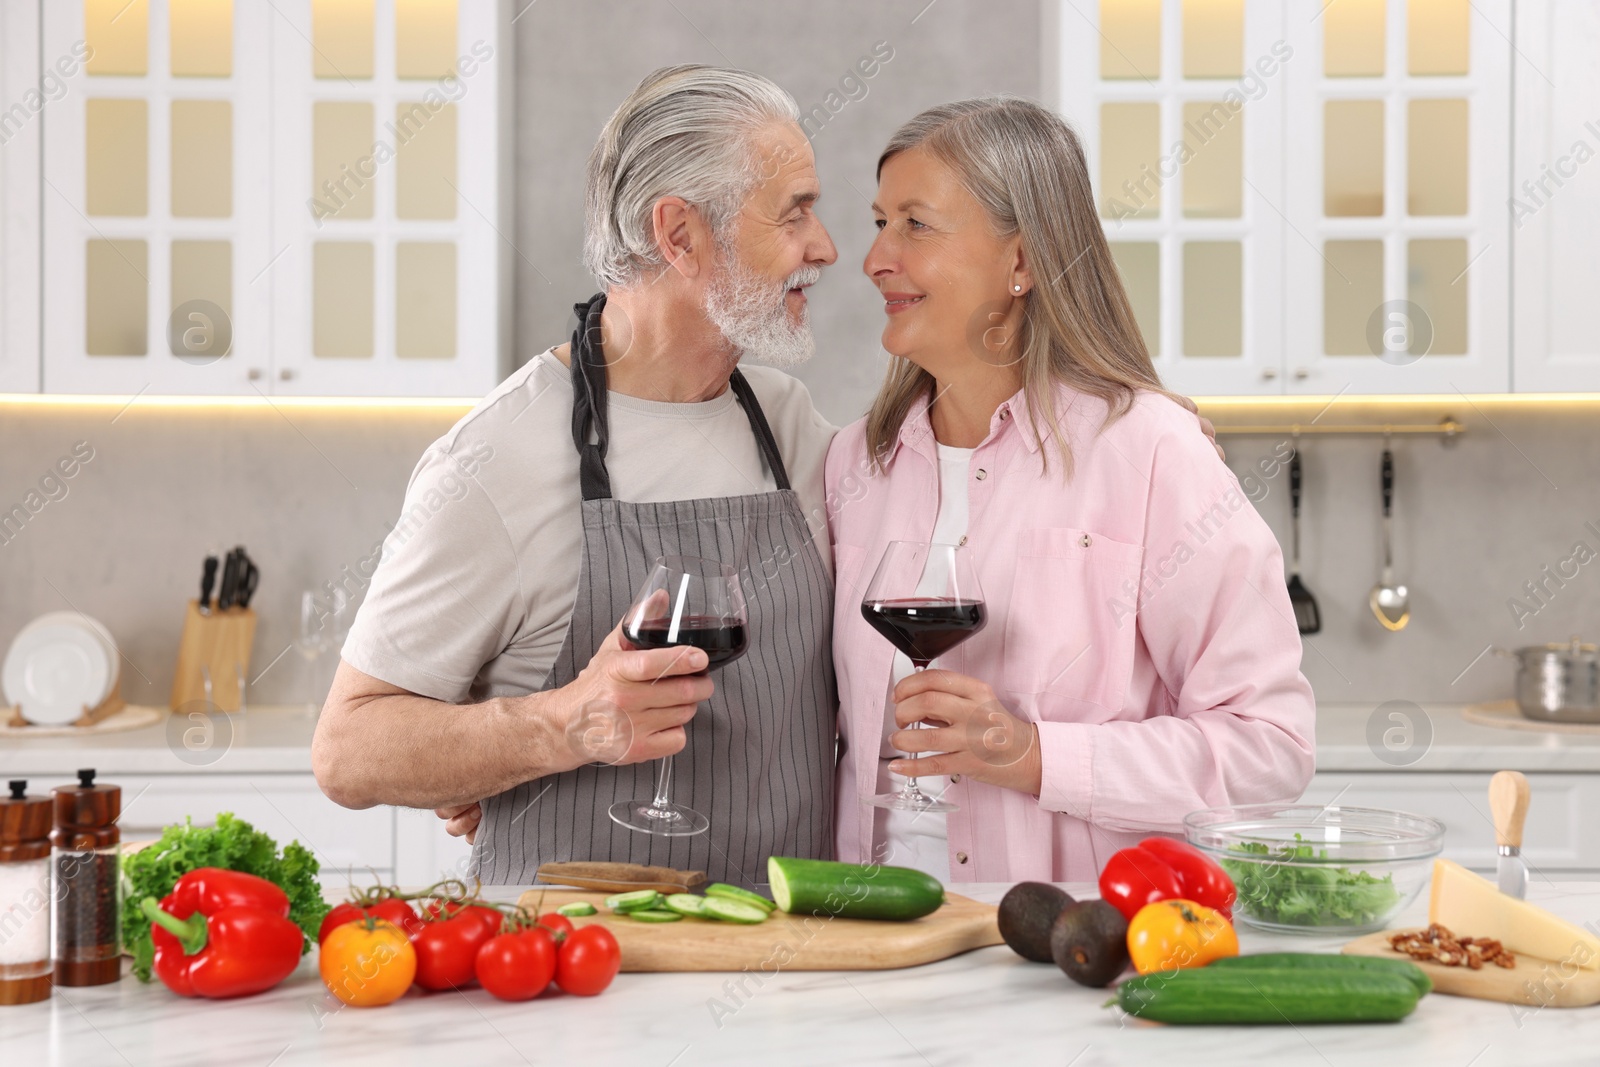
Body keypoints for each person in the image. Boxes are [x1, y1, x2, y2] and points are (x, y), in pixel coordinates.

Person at [313, 66, 841, 886]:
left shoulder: (791, 424)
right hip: (570, 984)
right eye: (794, 212)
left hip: (785, 966)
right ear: (680, 235)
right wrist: (557, 726)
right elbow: (349, 748)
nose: (825, 246)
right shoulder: (495, 462)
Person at [826, 97, 1316, 883]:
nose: (876, 257)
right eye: (879, 221)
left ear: (1021, 261)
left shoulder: (1152, 452)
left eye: (915, 224)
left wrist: (1034, 755)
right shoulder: (855, 463)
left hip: (1068, 949)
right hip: (876, 937)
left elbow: (1270, 746)